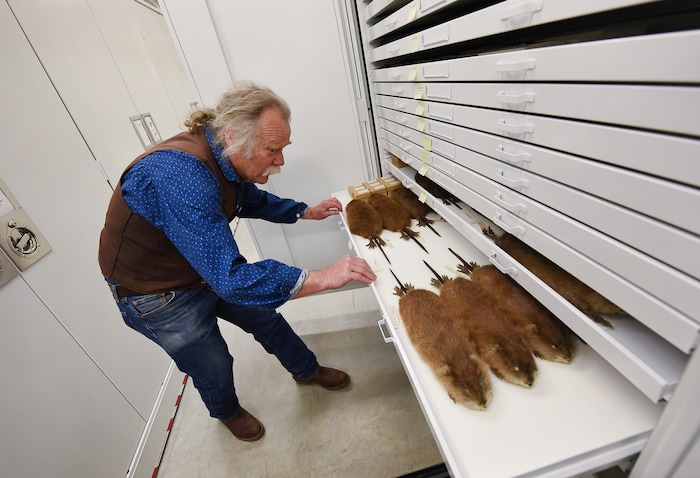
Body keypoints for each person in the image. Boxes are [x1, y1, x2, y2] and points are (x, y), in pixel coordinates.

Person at [98, 80, 376, 442]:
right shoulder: (181, 175)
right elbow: (231, 277)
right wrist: (322, 277)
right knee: (213, 363)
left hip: (203, 268)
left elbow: (247, 199)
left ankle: (306, 370)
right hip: (157, 294)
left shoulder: (222, 156)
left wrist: (306, 212)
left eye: (283, 148)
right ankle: (227, 412)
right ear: (232, 136)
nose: (280, 160)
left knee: (267, 319)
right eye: (272, 149)